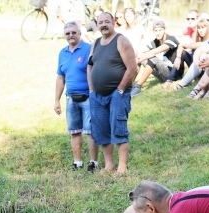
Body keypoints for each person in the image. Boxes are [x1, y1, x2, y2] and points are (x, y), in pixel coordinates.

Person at [87, 12, 137, 173]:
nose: (103, 25)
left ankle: (122, 166)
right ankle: (109, 165)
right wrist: (91, 90)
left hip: (117, 94)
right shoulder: (95, 43)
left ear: (113, 22)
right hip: (97, 96)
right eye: (100, 22)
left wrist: (120, 89)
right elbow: (90, 66)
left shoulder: (121, 40)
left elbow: (132, 68)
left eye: (107, 21)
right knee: (101, 130)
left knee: (119, 128)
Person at [55, 21, 99, 172]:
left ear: (80, 33)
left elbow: (95, 71)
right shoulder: (62, 53)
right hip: (70, 98)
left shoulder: (88, 49)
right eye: (67, 33)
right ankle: (77, 162)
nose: (71, 35)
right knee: (74, 131)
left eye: (74, 32)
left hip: (88, 97)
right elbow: (60, 78)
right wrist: (57, 100)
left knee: (90, 131)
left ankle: (93, 162)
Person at [131, 20, 180, 95]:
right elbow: (142, 50)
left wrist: (139, 59)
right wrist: (134, 55)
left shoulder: (171, 39)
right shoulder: (156, 41)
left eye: (160, 30)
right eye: (156, 30)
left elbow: (154, 52)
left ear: (165, 30)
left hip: (173, 74)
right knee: (140, 56)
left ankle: (138, 86)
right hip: (162, 72)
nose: (158, 32)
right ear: (153, 31)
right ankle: (130, 84)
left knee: (153, 59)